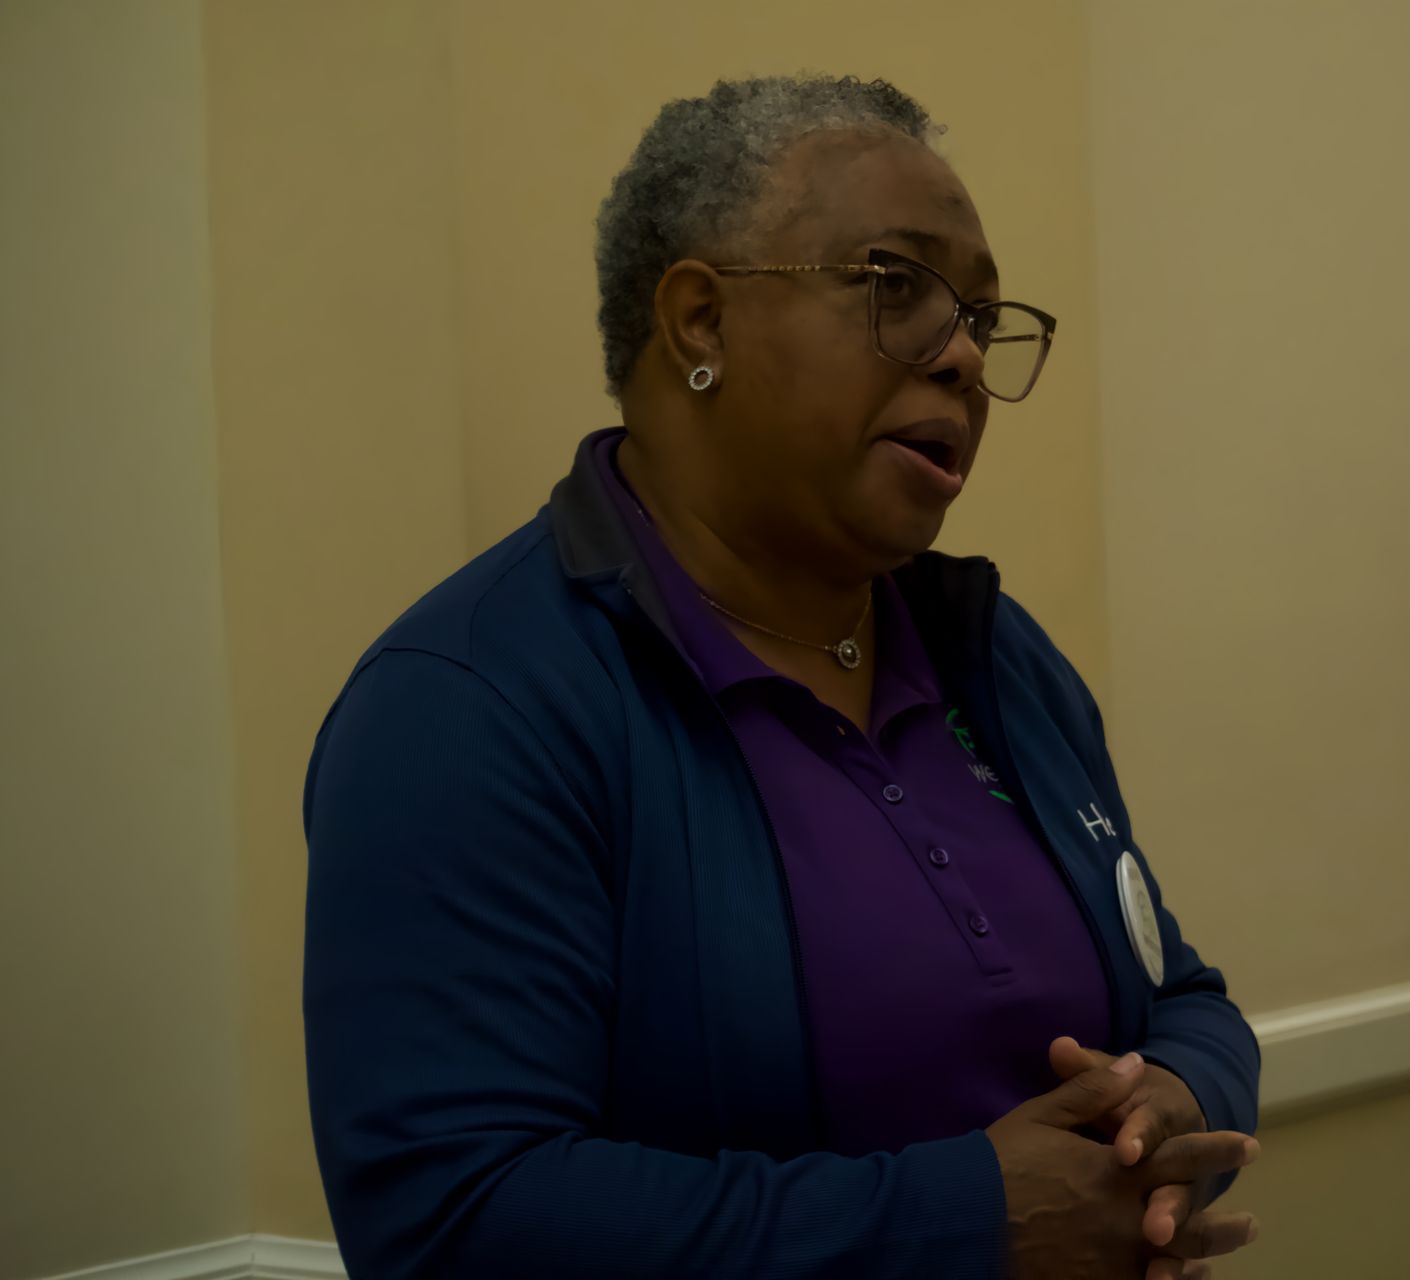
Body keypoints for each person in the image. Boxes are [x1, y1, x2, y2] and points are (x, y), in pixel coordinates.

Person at [303, 74, 1261, 1279]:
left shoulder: (994, 652)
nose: (966, 355)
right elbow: (453, 1219)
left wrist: (1172, 1100)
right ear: (700, 321)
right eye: (897, 285)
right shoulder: (468, 704)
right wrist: (968, 1219)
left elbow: (1184, 993)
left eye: (979, 313)